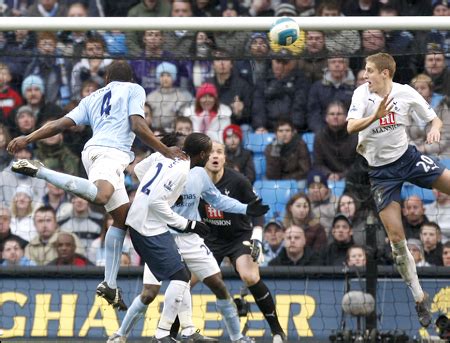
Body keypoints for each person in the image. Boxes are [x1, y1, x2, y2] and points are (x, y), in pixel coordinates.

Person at [7, 60, 186, 311]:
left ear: (106, 80)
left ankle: (109, 284)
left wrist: (28, 136)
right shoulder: (134, 90)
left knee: (122, 219)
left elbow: (58, 124)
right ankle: (43, 172)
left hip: (92, 152)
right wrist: (166, 150)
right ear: (131, 79)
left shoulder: (92, 97)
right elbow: (136, 124)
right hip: (110, 154)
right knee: (102, 196)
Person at [109, 133, 263, 342]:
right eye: (180, 146)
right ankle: (122, 334)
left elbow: (216, 200)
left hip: (189, 237)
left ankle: (234, 337)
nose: (182, 151)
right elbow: (142, 176)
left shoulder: (198, 174)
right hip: (161, 233)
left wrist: (246, 208)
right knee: (150, 292)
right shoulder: (166, 164)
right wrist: (160, 188)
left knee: (216, 283)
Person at [346, 52, 450, 327]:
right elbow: (350, 127)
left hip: (408, 159)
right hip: (381, 174)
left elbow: (434, 119)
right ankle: (419, 298)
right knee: (396, 240)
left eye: (369, 70)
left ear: (385, 73)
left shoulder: (405, 93)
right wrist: (375, 116)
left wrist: (434, 130)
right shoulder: (361, 95)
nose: (365, 75)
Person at [125, 132, 215, 342]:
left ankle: (188, 330)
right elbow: (156, 202)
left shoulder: (168, 155)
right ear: (202, 154)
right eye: (209, 153)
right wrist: (187, 224)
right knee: (181, 277)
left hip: (148, 223)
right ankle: (162, 333)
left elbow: (138, 170)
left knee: (181, 275)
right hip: (146, 227)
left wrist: (148, 191)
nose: (209, 157)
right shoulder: (183, 171)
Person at [200, 141, 287, 343]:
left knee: (249, 276)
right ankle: (169, 334)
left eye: (219, 152)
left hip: (239, 237)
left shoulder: (238, 181)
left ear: (224, 158)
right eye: (211, 152)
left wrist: (257, 236)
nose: (215, 156)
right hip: (210, 239)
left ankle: (277, 331)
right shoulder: (195, 180)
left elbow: (258, 211)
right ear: (203, 157)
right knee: (186, 281)